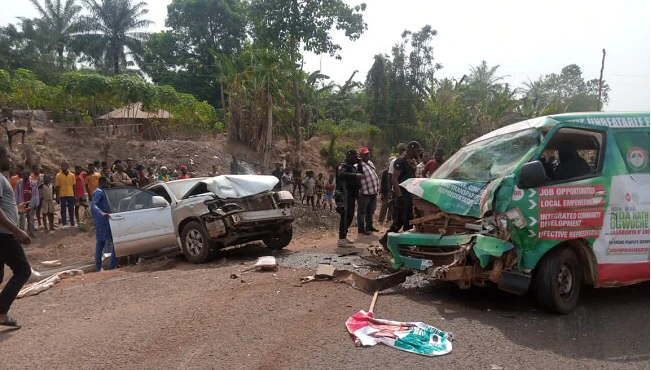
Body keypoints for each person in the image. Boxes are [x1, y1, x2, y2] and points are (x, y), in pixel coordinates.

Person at [0, 144, 32, 329]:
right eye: (7, 155)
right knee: (23, 271)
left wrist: (16, 209)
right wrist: (17, 231)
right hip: (5, 236)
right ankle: (2, 313)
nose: (10, 159)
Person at [379, 141, 421, 248]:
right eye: (417, 150)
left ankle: (405, 244)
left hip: (409, 195)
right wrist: (400, 196)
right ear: (411, 149)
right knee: (399, 221)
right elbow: (394, 179)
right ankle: (385, 240)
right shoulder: (400, 161)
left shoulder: (411, 162)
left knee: (409, 222)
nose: (418, 153)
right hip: (402, 195)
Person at [336, 149, 364, 247]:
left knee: (350, 215)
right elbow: (341, 174)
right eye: (354, 156)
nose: (355, 158)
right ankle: (341, 239)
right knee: (345, 215)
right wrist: (355, 175)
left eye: (356, 156)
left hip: (351, 195)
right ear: (348, 156)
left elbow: (361, 175)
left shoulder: (352, 167)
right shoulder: (342, 165)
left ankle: (344, 236)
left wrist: (360, 164)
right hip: (344, 194)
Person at [91, 176, 117, 272]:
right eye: (107, 183)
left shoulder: (103, 192)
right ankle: (106, 266)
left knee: (104, 242)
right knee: (102, 243)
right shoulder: (99, 192)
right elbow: (93, 205)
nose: (109, 185)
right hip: (102, 221)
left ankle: (108, 266)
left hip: (105, 221)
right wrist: (102, 213)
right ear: (102, 183)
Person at [356, 147, 380, 235]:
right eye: (365, 154)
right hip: (364, 192)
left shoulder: (370, 163)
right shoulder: (358, 165)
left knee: (371, 210)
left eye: (368, 154)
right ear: (361, 155)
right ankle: (361, 229)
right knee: (362, 211)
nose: (367, 155)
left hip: (373, 191)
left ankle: (369, 226)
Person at [15, 169, 39, 237]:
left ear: (29, 175)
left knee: (31, 219)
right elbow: (16, 193)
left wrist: (36, 203)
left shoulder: (33, 183)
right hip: (22, 203)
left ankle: (31, 232)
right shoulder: (19, 183)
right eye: (23, 174)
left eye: (26, 174)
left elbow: (36, 194)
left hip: (30, 204)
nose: (24, 175)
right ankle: (21, 233)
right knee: (22, 220)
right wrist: (16, 203)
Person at [55, 161, 76, 229]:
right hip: (62, 195)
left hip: (71, 194)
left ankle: (72, 223)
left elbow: (74, 186)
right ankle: (64, 224)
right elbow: (57, 187)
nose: (63, 167)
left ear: (67, 167)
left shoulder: (72, 175)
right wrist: (57, 196)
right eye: (62, 166)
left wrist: (75, 195)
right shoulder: (58, 175)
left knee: (71, 209)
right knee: (63, 210)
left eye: (64, 166)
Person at [378, 157, 395, 224]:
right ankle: (380, 220)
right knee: (384, 205)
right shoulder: (385, 171)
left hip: (393, 191)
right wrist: (381, 192)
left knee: (392, 206)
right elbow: (382, 182)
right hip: (385, 192)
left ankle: (389, 219)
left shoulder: (397, 170)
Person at [30, 165, 43, 229]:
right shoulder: (31, 177)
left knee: (41, 210)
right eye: (36, 169)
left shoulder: (42, 176)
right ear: (33, 169)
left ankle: (41, 224)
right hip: (34, 195)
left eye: (38, 169)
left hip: (41, 195)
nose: (37, 170)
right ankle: (35, 224)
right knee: (34, 210)